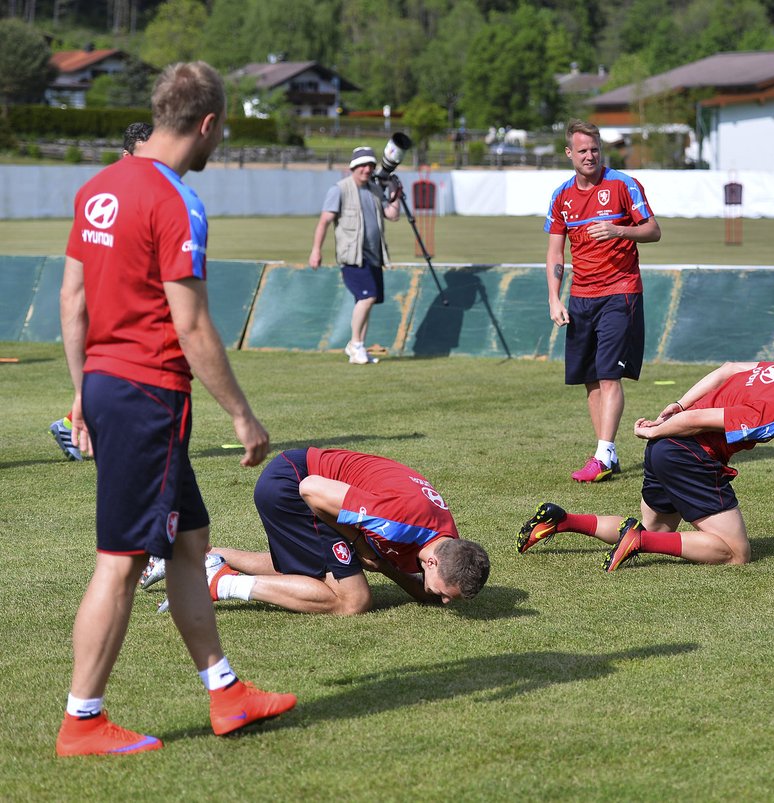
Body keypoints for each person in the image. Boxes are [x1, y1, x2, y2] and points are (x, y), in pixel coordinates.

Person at [55, 62, 296, 757]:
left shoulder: (97, 187)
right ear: (209, 125)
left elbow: (73, 302)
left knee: (190, 540)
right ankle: (83, 719)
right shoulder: (176, 199)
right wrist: (243, 415)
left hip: (107, 382)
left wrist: (82, 388)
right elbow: (190, 324)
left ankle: (226, 692)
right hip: (147, 395)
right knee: (122, 561)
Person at [517, 361, 774, 571]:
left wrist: (678, 403)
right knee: (736, 553)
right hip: (687, 452)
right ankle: (639, 542)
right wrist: (658, 428)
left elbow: (727, 370)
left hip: (668, 450)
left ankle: (563, 520)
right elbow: (702, 420)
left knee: (659, 529)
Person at [141, 447, 490, 614]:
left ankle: (196, 557)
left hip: (298, 477)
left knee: (306, 566)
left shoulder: (445, 541)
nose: (442, 601)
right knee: (353, 599)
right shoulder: (398, 522)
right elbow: (311, 489)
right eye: (445, 594)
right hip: (292, 484)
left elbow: (416, 582)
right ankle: (219, 582)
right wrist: (357, 542)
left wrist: (383, 565)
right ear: (431, 564)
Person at [544, 119, 661, 484]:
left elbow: (653, 231)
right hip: (580, 298)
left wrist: (618, 229)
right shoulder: (562, 196)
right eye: (582, 151)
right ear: (569, 154)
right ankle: (604, 453)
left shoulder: (624, 185)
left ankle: (603, 452)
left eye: (594, 149)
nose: (590, 156)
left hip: (620, 291)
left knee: (609, 375)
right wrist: (554, 298)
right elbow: (555, 253)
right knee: (591, 380)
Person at [48, 121, 154, 461]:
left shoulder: (147, 192)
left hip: (125, 298)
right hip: (107, 299)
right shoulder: (103, 193)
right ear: (126, 156)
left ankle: (76, 424)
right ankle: (75, 425)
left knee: (120, 375)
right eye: (143, 157)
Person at [309, 146, 401, 365]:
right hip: (352, 256)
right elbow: (324, 221)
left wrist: (395, 192)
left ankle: (359, 347)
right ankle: (355, 344)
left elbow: (392, 215)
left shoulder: (375, 190)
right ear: (353, 167)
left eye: (370, 165)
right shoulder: (339, 189)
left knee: (366, 300)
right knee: (367, 297)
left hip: (374, 255)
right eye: (362, 165)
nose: (367, 169)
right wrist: (316, 250)